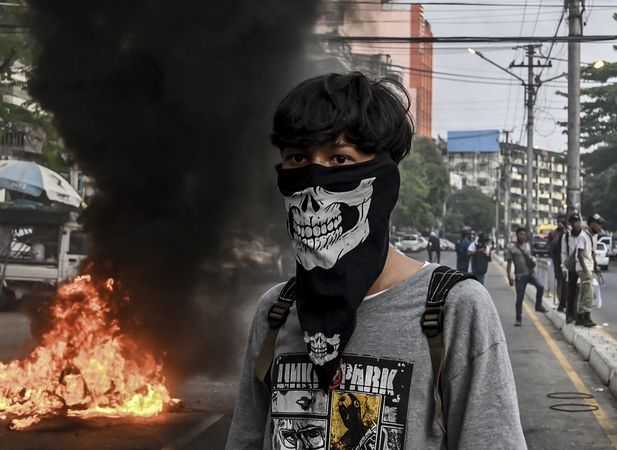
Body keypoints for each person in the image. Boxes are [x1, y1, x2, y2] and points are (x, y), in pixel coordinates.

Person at [226, 72, 526, 449]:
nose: (313, 183)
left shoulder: (454, 308)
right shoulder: (276, 311)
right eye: (298, 158)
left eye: (340, 158)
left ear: (381, 180)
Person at [506, 227, 548, 327]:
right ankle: (518, 318)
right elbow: (509, 263)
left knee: (540, 286)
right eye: (521, 234)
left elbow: (531, 256)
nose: (523, 236)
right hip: (520, 276)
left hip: (531, 273)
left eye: (524, 234)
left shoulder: (528, 246)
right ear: (517, 236)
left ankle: (538, 305)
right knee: (520, 298)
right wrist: (509, 276)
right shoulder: (512, 249)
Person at [575, 214, 605, 327]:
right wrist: (586, 270)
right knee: (588, 294)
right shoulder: (583, 236)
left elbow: (592, 253)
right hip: (584, 268)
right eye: (598, 224)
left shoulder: (593, 236)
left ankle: (579, 317)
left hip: (589, 266)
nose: (600, 226)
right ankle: (586, 316)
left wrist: (596, 266)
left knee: (584, 292)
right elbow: (580, 255)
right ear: (591, 223)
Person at [559, 214, 582, 324]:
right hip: (572, 267)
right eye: (572, 221)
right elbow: (563, 252)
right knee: (571, 291)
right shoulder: (566, 237)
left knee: (582, 291)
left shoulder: (584, 235)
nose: (574, 224)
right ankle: (570, 315)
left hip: (582, 266)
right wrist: (563, 268)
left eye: (576, 221)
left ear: (580, 222)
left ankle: (581, 315)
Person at [548, 214, 567, 309]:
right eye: (559, 221)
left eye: (563, 222)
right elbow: (548, 247)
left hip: (567, 261)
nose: (561, 223)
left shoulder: (568, 233)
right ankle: (560, 301)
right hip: (557, 261)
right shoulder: (553, 234)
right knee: (560, 281)